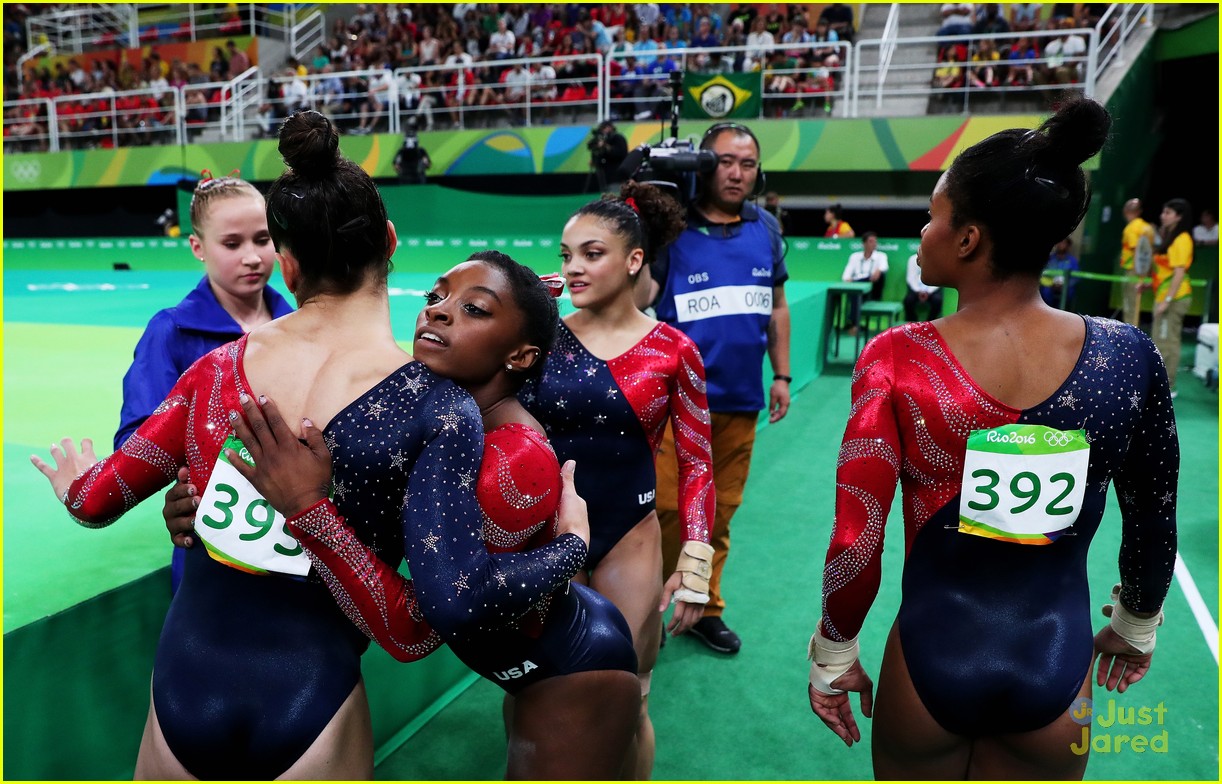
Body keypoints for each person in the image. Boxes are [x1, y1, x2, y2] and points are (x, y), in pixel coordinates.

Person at [30, 110, 590, 780]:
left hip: (180, 689)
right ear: (388, 239)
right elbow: (419, 629)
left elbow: (96, 501)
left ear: (286, 263)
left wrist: (73, 484)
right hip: (313, 700)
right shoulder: (437, 409)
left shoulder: (212, 373)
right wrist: (571, 547)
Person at [807, 98, 1177, 780]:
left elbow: (857, 538)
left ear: (969, 238)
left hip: (928, 666)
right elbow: (1153, 511)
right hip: (1056, 671)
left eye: (932, 215)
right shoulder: (1128, 355)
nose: (923, 232)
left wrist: (835, 654)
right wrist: (1136, 625)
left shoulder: (899, 355)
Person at [195, 250, 642, 779]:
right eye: (435, 297)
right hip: (517, 651)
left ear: (519, 356)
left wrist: (572, 548)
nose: (438, 311)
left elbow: (434, 618)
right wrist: (197, 501)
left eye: (474, 309)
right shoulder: (432, 420)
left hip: (567, 667)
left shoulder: (514, 459)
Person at [522, 182, 716, 778]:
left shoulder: (672, 349)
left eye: (591, 253)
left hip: (629, 537)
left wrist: (696, 564)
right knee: (534, 700)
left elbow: (699, 461)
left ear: (634, 260)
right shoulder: (539, 338)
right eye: (565, 255)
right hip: (548, 534)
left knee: (629, 700)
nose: (574, 267)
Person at [639, 123, 792, 656]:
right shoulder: (674, 230)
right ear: (704, 165)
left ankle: (704, 605)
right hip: (672, 405)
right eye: (725, 161)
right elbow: (643, 298)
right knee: (666, 509)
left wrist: (782, 374)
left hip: (739, 403)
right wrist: (642, 223)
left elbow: (776, 307)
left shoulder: (767, 229)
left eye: (747, 164)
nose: (736, 173)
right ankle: (650, 605)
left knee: (719, 514)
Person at [116, 172, 294, 593]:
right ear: (198, 247)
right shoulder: (171, 331)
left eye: (263, 239)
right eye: (232, 244)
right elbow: (135, 440)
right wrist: (186, 479)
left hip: (302, 537)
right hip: (210, 548)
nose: (252, 256)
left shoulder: (303, 323)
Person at [1150, 198, 1195, 397]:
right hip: (1164, 295)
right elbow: (1164, 270)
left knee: (1168, 341)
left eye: (1168, 213)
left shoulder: (1182, 239)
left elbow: (1178, 273)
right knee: (1160, 339)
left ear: (1179, 217)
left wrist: (1167, 300)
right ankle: (1159, 382)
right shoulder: (1170, 237)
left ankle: (1169, 385)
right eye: (1163, 212)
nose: (1163, 216)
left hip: (1175, 299)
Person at [840, 231, 889, 336]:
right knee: (855, 291)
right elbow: (845, 276)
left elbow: (884, 267)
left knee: (878, 276)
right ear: (864, 243)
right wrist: (851, 281)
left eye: (875, 241)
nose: (874, 244)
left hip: (873, 286)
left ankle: (854, 324)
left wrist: (879, 270)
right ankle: (855, 324)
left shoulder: (881, 256)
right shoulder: (854, 257)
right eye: (871, 241)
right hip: (857, 285)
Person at [1118, 197, 1155, 327]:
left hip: (1134, 270)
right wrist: (1149, 271)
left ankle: (1130, 334)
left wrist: (1137, 270)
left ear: (1126, 211)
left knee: (1130, 304)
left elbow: (1136, 251)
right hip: (1145, 270)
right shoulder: (1148, 228)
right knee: (1136, 305)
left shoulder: (1131, 228)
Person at [588, 119, 629, 193]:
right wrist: (595, 159)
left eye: (604, 128)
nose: (603, 131)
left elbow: (621, 153)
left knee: (616, 192)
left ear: (610, 127)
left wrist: (606, 146)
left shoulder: (618, 138)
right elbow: (593, 148)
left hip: (617, 173)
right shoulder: (604, 139)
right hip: (606, 174)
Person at [902, 251, 942, 322]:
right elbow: (911, 278)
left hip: (931, 290)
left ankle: (930, 324)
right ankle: (913, 324)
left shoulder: (937, 259)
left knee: (937, 300)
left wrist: (928, 292)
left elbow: (938, 278)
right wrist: (919, 291)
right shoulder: (912, 259)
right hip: (916, 290)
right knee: (908, 301)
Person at [1040, 236, 1079, 307]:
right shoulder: (1050, 259)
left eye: (1063, 242)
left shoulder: (1072, 261)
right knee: (1045, 291)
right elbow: (1043, 274)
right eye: (1059, 242)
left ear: (1068, 246)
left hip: (1066, 286)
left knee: (1069, 292)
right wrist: (1051, 283)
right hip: (1051, 284)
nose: (1060, 244)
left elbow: (1075, 278)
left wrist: (1064, 285)